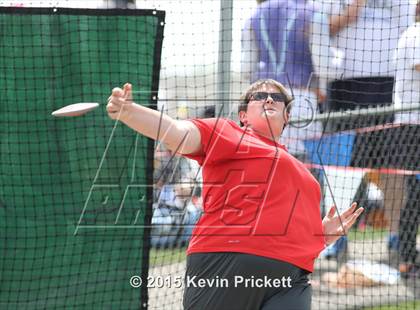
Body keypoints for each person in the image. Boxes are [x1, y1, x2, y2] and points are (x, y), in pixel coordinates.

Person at [107, 79, 363, 309]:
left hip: (291, 278)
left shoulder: (306, 175)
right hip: (226, 261)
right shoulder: (227, 132)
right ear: (243, 115)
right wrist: (130, 112)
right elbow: (176, 133)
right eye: (260, 97)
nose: (270, 99)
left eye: (278, 98)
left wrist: (321, 235)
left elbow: (291, 227)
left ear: (286, 117)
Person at [325, 0, 417, 259]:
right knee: (342, 171)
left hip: (388, 87)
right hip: (345, 87)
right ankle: (335, 237)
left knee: (393, 168)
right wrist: (350, 13)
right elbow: (321, 31)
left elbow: (409, 27)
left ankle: (396, 236)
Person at [393, 0, 420, 277]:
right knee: (415, 193)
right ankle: (407, 258)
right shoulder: (415, 34)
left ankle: (410, 256)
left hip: (414, 125)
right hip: (412, 127)